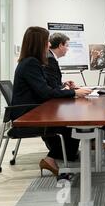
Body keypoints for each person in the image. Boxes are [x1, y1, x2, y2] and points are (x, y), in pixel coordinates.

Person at [11, 27, 91, 176]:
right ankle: (52, 158)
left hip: (33, 109)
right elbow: (46, 92)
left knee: (69, 119)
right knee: (69, 122)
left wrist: (66, 88)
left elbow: (45, 88)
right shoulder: (31, 64)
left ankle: (68, 153)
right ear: (38, 43)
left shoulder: (30, 62)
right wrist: (74, 92)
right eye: (46, 41)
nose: (48, 44)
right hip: (28, 114)